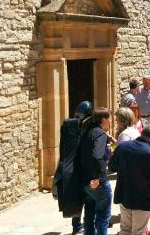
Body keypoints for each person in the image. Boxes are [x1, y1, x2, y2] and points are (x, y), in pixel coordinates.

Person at [108, 123, 150, 235]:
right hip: (142, 200)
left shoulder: (122, 146)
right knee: (138, 232)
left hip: (124, 196)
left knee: (125, 230)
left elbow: (111, 167)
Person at [54, 101, 93, 235]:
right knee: (87, 196)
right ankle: (84, 225)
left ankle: (77, 225)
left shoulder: (68, 125)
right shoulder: (86, 126)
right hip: (82, 166)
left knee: (77, 196)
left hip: (70, 165)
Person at [79, 108, 113, 235]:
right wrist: (98, 177)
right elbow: (97, 156)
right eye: (109, 119)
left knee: (89, 215)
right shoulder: (100, 134)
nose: (110, 122)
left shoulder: (87, 132)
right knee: (103, 217)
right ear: (103, 120)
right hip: (97, 181)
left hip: (85, 180)